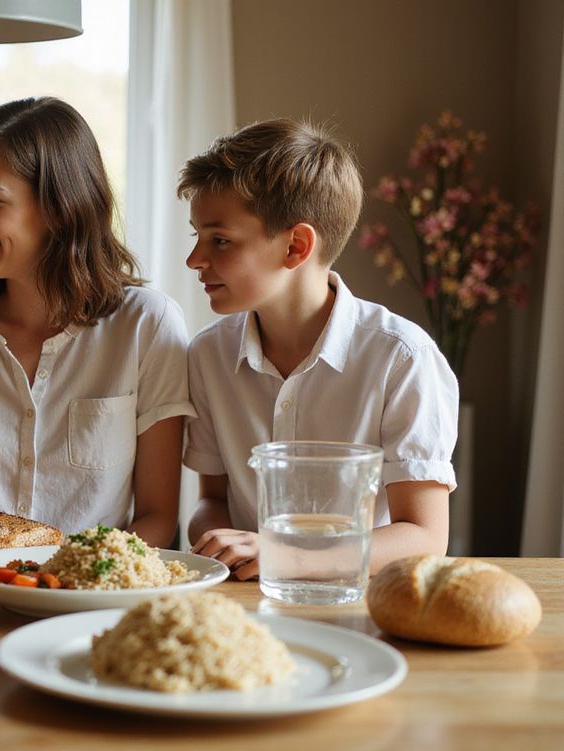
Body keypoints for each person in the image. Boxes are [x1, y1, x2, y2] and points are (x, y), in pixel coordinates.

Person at [0, 97, 194, 545]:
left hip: (91, 599)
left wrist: (65, 578)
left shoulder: (148, 324)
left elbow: (159, 519)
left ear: (59, 206)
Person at [179, 118, 457, 580]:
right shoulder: (208, 355)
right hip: (244, 602)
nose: (194, 260)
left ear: (296, 246)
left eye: (220, 240)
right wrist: (221, 544)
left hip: (356, 602)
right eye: (197, 237)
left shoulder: (401, 357)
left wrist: (286, 555)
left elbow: (425, 535)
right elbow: (211, 501)